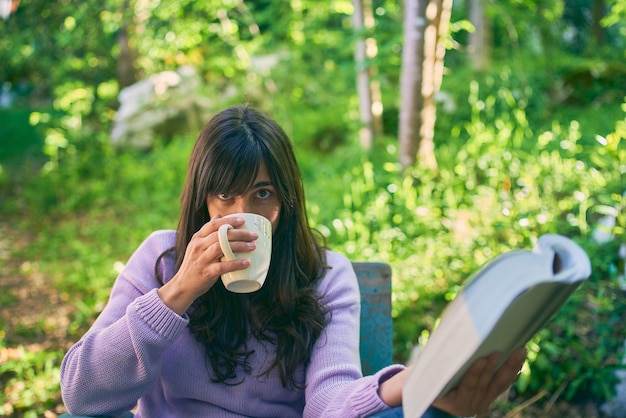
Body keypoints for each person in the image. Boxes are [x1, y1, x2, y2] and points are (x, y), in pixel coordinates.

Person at [60, 104, 526, 418]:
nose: (242, 215)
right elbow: (82, 393)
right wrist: (177, 293)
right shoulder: (161, 262)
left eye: (262, 194)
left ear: (285, 201)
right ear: (203, 199)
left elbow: (328, 401)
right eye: (225, 194)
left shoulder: (323, 275)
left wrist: (404, 385)